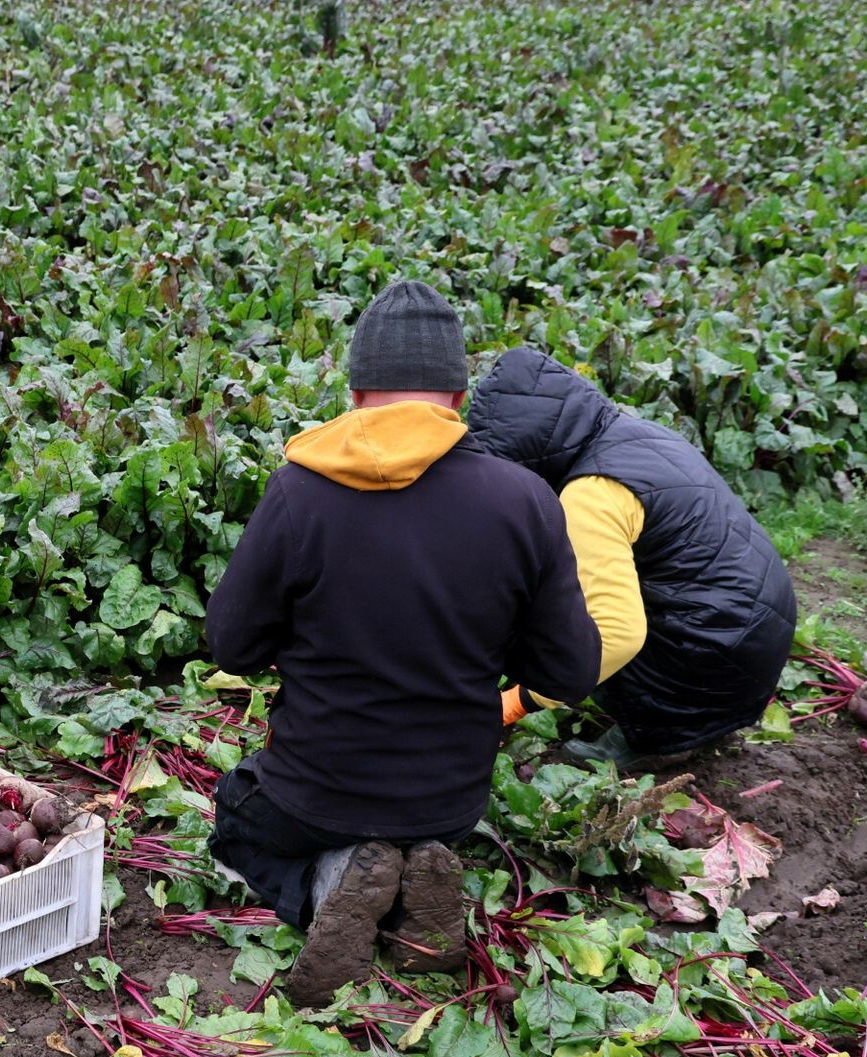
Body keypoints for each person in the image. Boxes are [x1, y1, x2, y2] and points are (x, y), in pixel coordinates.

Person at [205, 282, 601, 1006]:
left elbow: (230, 646)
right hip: (451, 801)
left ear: (356, 391)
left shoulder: (300, 492)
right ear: (458, 394)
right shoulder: (526, 502)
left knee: (236, 817)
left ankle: (334, 882)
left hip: (312, 794)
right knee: (412, 825)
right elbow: (570, 672)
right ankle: (416, 879)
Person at [469, 347, 797, 769]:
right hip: (757, 626)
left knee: (578, 626)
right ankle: (691, 710)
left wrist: (521, 699)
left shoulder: (591, 494)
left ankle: (658, 737)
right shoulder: (633, 434)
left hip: (717, 651)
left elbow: (618, 633)